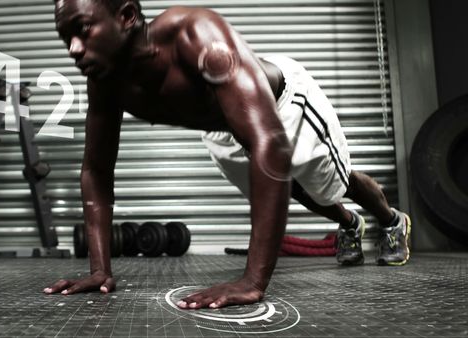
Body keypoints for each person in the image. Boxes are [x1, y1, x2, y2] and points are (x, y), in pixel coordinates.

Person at [44, 0, 411, 309]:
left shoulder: (193, 33)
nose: (73, 48)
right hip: (222, 125)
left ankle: (391, 219)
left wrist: (253, 280)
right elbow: (96, 170)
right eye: (65, 38)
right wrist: (100, 270)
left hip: (282, 102)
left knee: (331, 181)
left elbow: (270, 141)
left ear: (125, 17)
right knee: (288, 188)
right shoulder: (105, 80)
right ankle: (350, 223)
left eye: (84, 29)